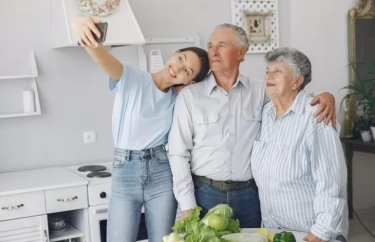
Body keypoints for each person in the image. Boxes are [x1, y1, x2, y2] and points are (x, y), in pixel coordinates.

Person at [167, 23, 337, 228]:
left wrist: (326, 96)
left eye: (221, 45)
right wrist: (187, 205)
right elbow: (178, 153)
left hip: (251, 197)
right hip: (204, 194)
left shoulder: (261, 90)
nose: (213, 51)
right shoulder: (189, 96)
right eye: (210, 45)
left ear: (241, 52)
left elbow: (290, 99)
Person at [70, 14, 210, 242]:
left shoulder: (180, 101)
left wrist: (191, 91)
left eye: (187, 71)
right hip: (126, 172)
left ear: (190, 82)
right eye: (181, 58)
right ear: (174, 54)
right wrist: (79, 24)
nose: (179, 67)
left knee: (163, 240)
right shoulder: (132, 78)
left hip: (161, 173)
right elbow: (100, 56)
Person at [251, 47, 348, 242]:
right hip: (274, 231)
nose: (269, 76)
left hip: (311, 233)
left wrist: (321, 231)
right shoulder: (266, 114)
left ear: (297, 81)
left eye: (277, 71)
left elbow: (331, 181)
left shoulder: (316, 116)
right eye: (268, 71)